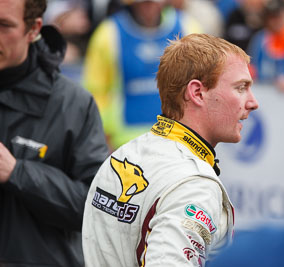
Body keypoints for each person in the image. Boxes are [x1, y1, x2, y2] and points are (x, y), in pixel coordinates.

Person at [82, 33, 259, 266]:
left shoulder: (123, 155)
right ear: (197, 93)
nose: (253, 102)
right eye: (241, 88)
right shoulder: (192, 185)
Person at [0, 0, 109, 266]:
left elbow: (96, 207)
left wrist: (16, 172)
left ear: (33, 28)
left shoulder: (73, 104)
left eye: (3, 26)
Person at [83, 0, 202, 151]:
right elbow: (97, 91)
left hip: (179, 138)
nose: (149, 8)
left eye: (152, 3)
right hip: (126, 140)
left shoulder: (188, 27)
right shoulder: (108, 33)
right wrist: (104, 135)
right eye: (144, 3)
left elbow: (202, 84)